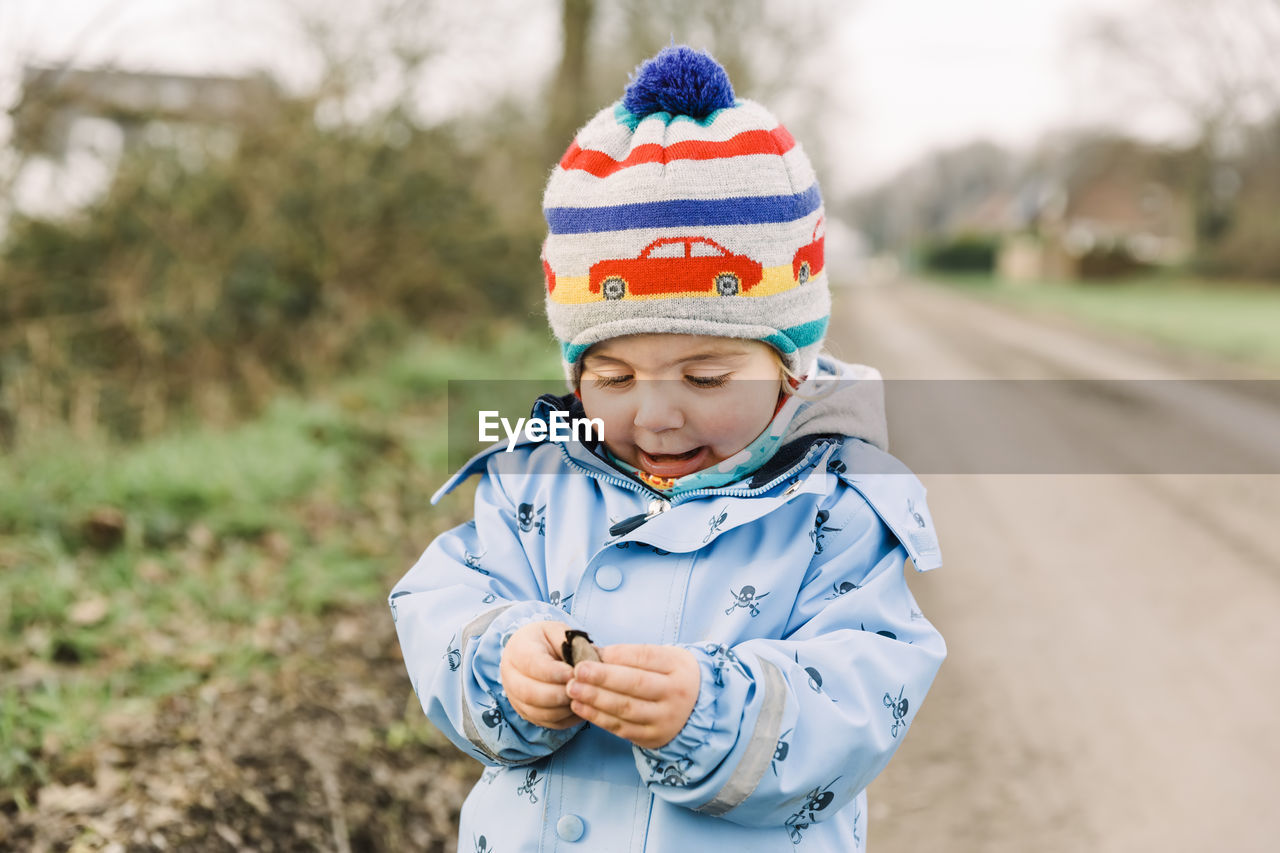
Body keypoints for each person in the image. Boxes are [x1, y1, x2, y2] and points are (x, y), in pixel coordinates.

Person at [390, 45, 945, 852]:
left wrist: (715, 714)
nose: (655, 416)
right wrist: (502, 661)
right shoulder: (533, 482)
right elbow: (442, 602)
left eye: (707, 376)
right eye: (611, 376)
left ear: (791, 369)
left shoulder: (838, 505)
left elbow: (870, 686)